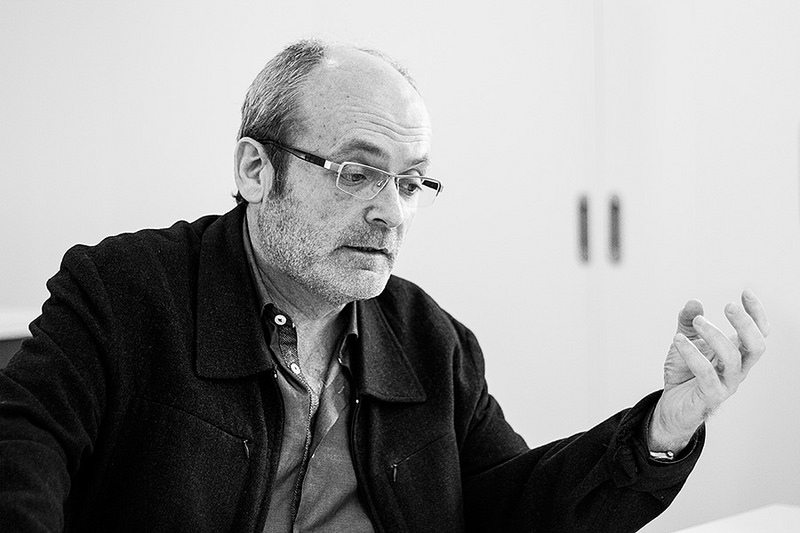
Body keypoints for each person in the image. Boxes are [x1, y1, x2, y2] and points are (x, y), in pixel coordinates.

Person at [0, 39, 769, 533]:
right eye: (356, 172)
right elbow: (18, 459)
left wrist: (660, 430)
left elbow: (512, 506)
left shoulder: (431, 340)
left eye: (409, 182)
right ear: (256, 169)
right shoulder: (123, 294)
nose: (391, 212)